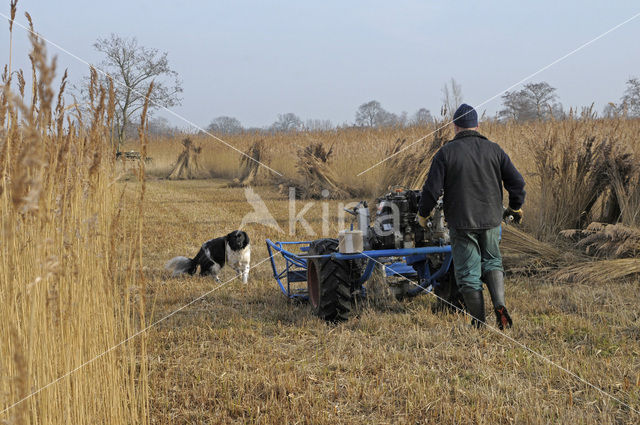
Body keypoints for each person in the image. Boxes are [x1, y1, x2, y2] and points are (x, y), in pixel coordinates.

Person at [417, 104, 525, 329]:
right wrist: (515, 207)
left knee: (468, 272)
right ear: (477, 125)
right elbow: (517, 183)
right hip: (491, 220)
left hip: (462, 222)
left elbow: (431, 191)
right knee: (493, 261)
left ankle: (478, 323)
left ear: (455, 127)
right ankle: (500, 304)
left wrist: (423, 214)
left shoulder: (445, 153)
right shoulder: (495, 150)